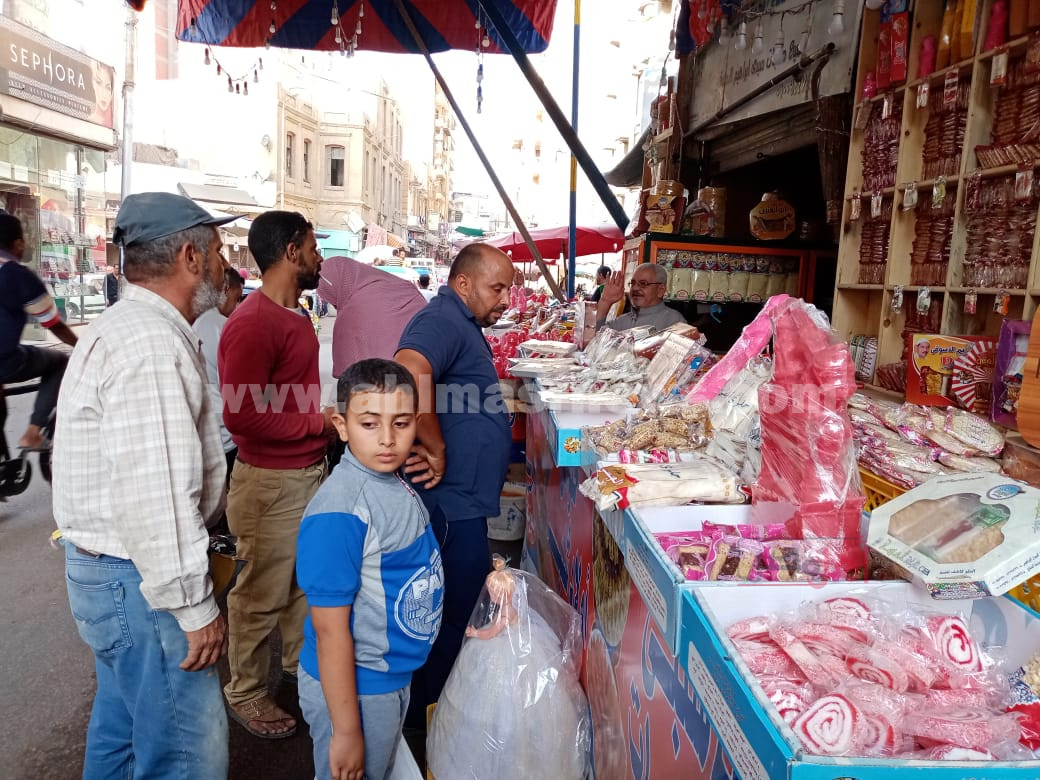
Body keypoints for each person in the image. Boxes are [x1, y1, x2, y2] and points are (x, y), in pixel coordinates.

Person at [51, 192, 235, 778]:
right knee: (184, 756)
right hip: (141, 583)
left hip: (120, 577)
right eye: (218, 250)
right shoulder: (149, 343)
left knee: (125, 734)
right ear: (189, 256)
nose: (224, 263)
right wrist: (194, 605)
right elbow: (156, 495)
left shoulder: (134, 328)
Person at [218, 209, 336, 739]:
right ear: (291, 252)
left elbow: (283, 397)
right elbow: (241, 415)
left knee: (299, 586)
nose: (319, 257)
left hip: (303, 474)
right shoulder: (253, 321)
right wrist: (319, 422)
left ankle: (295, 666)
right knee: (259, 593)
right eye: (312, 247)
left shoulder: (294, 312)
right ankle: (244, 691)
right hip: (270, 484)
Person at [297, 358, 444, 780]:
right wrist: (345, 731)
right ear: (341, 426)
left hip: (389, 676)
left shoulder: (389, 479)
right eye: (369, 424)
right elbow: (329, 630)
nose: (386, 440)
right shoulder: (340, 513)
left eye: (400, 425)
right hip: (359, 690)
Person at [394, 242, 514, 730]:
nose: (505, 298)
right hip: (449, 502)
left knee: (453, 610)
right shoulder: (442, 317)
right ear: (463, 283)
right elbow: (408, 368)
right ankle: (428, 724)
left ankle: (434, 715)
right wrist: (434, 443)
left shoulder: (461, 320)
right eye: (497, 287)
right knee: (447, 617)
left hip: (463, 500)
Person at [0, 212, 77, 450]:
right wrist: (80, 345)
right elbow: (52, 323)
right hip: (6, 360)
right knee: (59, 362)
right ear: (18, 243)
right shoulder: (17, 274)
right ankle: (33, 432)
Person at [317, 254, 426, 378]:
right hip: (422, 373)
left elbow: (346, 372)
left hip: (379, 389)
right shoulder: (396, 284)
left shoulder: (351, 312)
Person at [193, 266, 244, 488]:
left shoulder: (197, 323)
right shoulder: (222, 327)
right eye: (236, 298)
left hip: (206, 431)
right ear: (225, 289)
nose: (236, 306)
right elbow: (240, 390)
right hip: (226, 435)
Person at [595, 263, 686, 332]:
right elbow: (594, 339)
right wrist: (605, 302)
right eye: (633, 283)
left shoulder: (674, 322)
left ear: (660, 290)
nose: (635, 288)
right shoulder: (623, 320)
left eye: (643, 284)